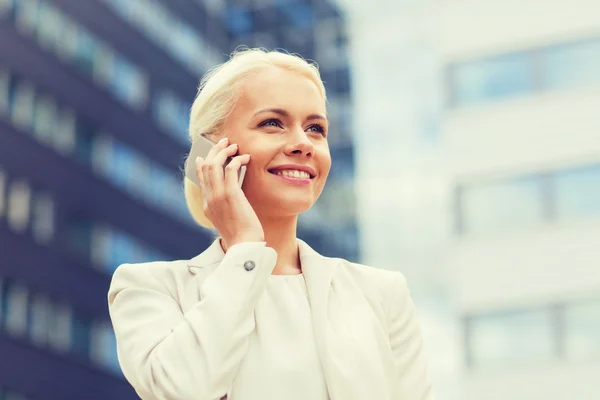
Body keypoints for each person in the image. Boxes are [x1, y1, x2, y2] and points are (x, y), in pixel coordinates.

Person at [107, 48, 433, 400]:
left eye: (315, 129)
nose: (302, 144)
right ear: (212, 153)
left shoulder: (382, 295)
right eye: (272, 123)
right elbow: (183, 391)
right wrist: (245, 247)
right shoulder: (150, 289)